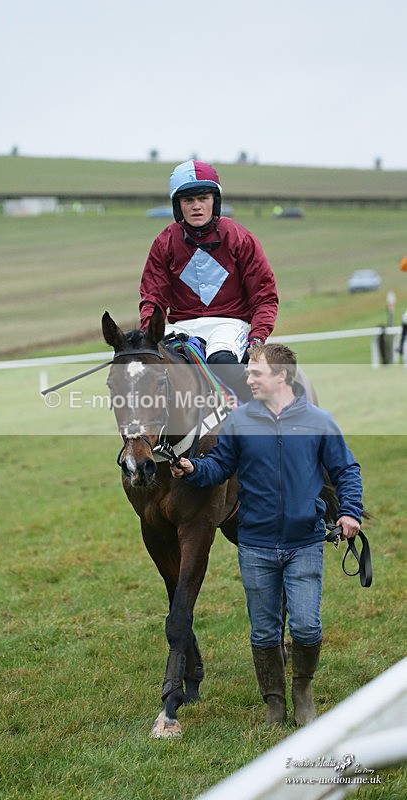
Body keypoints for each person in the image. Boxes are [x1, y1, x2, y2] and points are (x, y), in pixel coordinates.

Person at [170, 343, 364, 727]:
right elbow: (219, 468)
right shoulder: (239, 422)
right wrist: (194, 469)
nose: (247, 378)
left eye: (255, 372)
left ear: (281, 377)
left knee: (306, 626)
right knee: (263, 631)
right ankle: (274, 704)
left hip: (305, 542)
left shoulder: (319, 422)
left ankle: (303, 692)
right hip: (255, 544)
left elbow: (346, 470)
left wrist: (349, 512)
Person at [139, 160, 278, 401]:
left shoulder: (239, 237)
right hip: (181, 327)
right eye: (188, 200)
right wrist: (149, 336)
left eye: (203, 198)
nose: (196, 206)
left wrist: (257, 339)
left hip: (229, 324)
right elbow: (153, 298)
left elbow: (264, 297)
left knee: (220, 362)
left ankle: (258, 421)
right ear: (177, 205)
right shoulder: (165, 242)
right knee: (152, 369)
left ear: (215, 201)